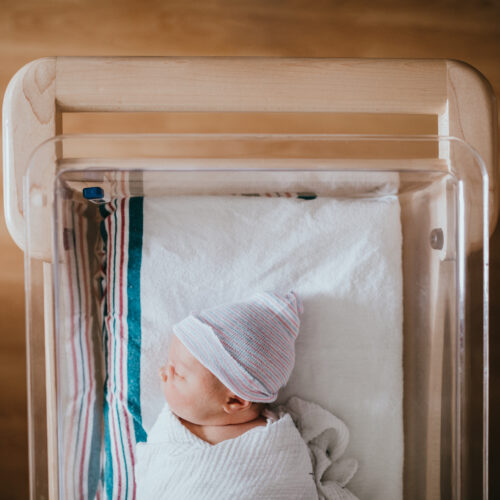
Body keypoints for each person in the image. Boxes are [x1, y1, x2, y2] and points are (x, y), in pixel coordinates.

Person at [135, 290, 358, 499]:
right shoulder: (170, 432)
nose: (163, 372)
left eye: (179, 373)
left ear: (234, 400)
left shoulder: (278, 445)